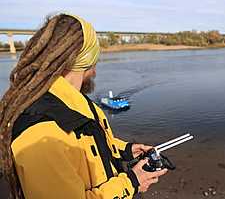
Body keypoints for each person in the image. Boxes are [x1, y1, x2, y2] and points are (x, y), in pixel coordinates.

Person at [0, 13, 167, 199]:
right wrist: (132, 182)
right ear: (87, 61)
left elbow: (89, 143)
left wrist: (126, 150)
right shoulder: (39, 133)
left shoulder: (79, 103)